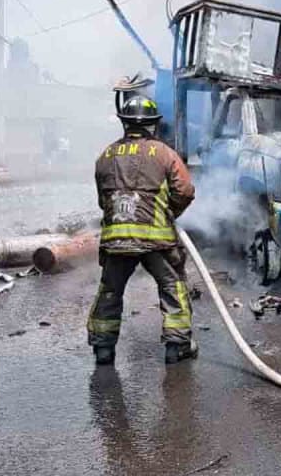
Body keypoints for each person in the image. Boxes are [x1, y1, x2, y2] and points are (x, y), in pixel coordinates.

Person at [88, 95, 197, 365]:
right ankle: (177, 346)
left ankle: (103, 348)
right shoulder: (164, 153)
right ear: (152, 125)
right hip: (156, 240)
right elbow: (184, 191)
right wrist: (168, 211)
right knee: (172, 286)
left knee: (110, 290)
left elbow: (103, 199)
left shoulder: (105, 156)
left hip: (116, 239)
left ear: (124, 124)